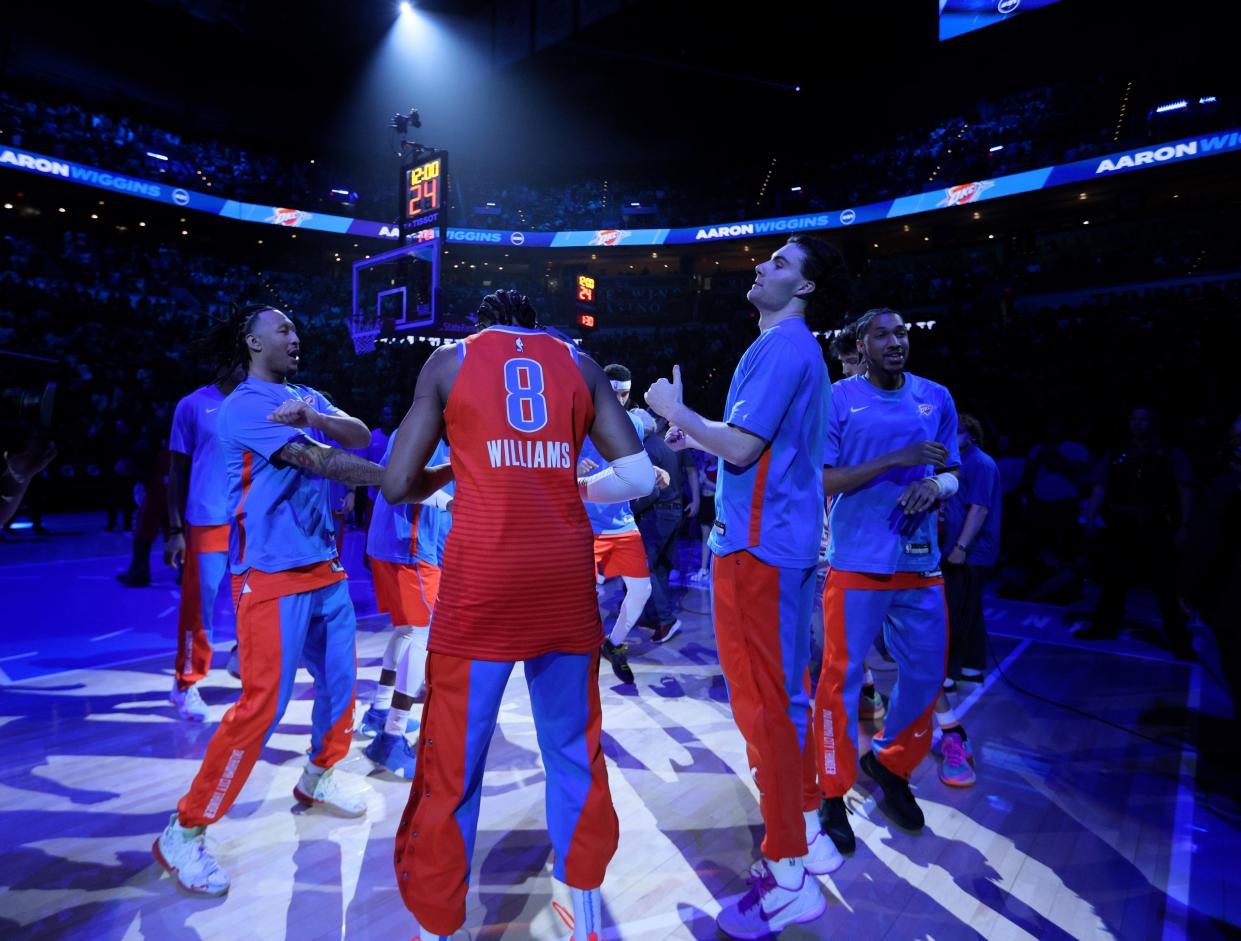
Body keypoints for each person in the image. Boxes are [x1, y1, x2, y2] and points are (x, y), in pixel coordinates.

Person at [382, 290, 655, 941]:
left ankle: (440, 925)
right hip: (562, 580)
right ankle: (585, 913)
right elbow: (640, 476)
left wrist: (459, 465)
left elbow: (395, 483)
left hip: (483, 586)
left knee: (454, 766)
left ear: (482, 324)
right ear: (536, 326)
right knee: (572, 752)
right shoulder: (579, 362)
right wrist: (577, 485)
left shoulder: (449, 361)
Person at [647, 235, 846, 939]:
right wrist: (694, 433)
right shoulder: (785, 347)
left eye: (782, 263)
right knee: (777, 703)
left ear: (805, 288)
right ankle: (812, 835)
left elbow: (742, 447)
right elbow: (746, 444)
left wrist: (678, 410)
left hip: (760, 550)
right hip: (766, 545)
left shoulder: (786, 346)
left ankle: (788, 869)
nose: (762, 265)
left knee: (765, 708)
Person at [151, 303, 385, 898]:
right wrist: (398, 479)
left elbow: (355, 434)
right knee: (263, 707)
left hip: (325, 569)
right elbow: (321, 461)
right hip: (271, 574)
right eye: (283, 327)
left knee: (340, 684)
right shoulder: (244, 407)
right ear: (254, 341)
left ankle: (319, 777)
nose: (295, 334)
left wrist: (315, 413)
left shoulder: (305, 394)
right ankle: (186, 829)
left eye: (296, 326)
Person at [813, 307, 960, 851]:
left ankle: (891, 765)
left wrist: (937, 488)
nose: (896, 341)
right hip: (857, 562)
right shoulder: (837, 398)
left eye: (901, 332)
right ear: (861, 344)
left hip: (921, 562)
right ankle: (832, 790)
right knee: (840, 681)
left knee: (925, 677)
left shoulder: (936, 396)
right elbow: (823, 478)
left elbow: (952, 468)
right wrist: (896, 459)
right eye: (883, 334)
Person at [356, 434, 453, 778]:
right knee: (420, 634)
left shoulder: (410, 426)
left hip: (393, 544)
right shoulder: (431, 431)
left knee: (407, 629)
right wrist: (449, 505)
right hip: (409, 547)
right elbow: (405, 481)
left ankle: (379, 711)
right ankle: (391, 737)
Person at [1076, 406, 1195, 658]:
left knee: (1164, 584)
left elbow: (1185, 488)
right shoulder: (1117, 451)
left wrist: (1185, 525)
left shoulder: (1170, 453)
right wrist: (1089, 518)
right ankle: (1104, 627)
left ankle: (1179, 639)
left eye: (1145, 419)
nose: (1139, 424)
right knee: (1113, 579)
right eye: (1134, 419)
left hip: (1156, 524)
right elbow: (1100, 486)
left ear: (1155, 423)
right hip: (1120, 524)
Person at [163, 366, 245, 721]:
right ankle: (185, 684)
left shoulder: (256, 402)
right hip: (207, 519)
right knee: (200, 608)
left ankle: (244, 662)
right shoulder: (193, 405)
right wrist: (173, 529)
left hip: (249, 519)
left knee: (254, 601)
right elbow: (177, 471)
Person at [577, 363, 667, 683]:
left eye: (624, 394)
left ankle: (613, 645)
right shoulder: (578, 419)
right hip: (584, 524)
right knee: (581, 597)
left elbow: (635, 463)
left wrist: (656, 471)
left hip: (621, 521)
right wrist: (573, 467)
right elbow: (552, 460)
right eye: (613, 392)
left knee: (641, 591)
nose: (618, 399)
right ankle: (578, 655)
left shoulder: (633, 424)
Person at [933, 413, 1001, 788]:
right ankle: (967, 669)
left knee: (956, 614)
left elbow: (979, 509)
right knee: (964, 612)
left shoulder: (981, 463)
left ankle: (950, 674)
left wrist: (960, 546)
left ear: (969, 434)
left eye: (955, 431)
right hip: (960, 550)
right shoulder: (956, 462)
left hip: (971, 552)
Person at [632, 408, 688, 642]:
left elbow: (651, 490)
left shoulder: (647, 449)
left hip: (658, 514)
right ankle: (654, 614)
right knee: (661, 566)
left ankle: (665, 620)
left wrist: (631, 509)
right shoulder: (664, 445)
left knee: (648, 568)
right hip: (673, 512)